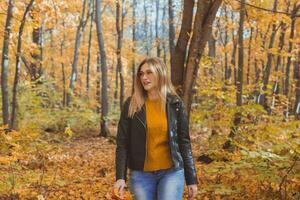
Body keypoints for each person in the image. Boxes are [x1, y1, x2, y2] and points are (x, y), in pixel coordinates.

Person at [114, 57, 198, 200]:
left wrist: (191, 178)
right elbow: (122, 144)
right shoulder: (131, 104)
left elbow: (184, 142)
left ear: (160, 74)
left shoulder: (175, 104)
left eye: (149, 73)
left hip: (171, 172)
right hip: (141, 175)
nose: (144, 77)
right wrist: (120, 177)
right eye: (141, 74)